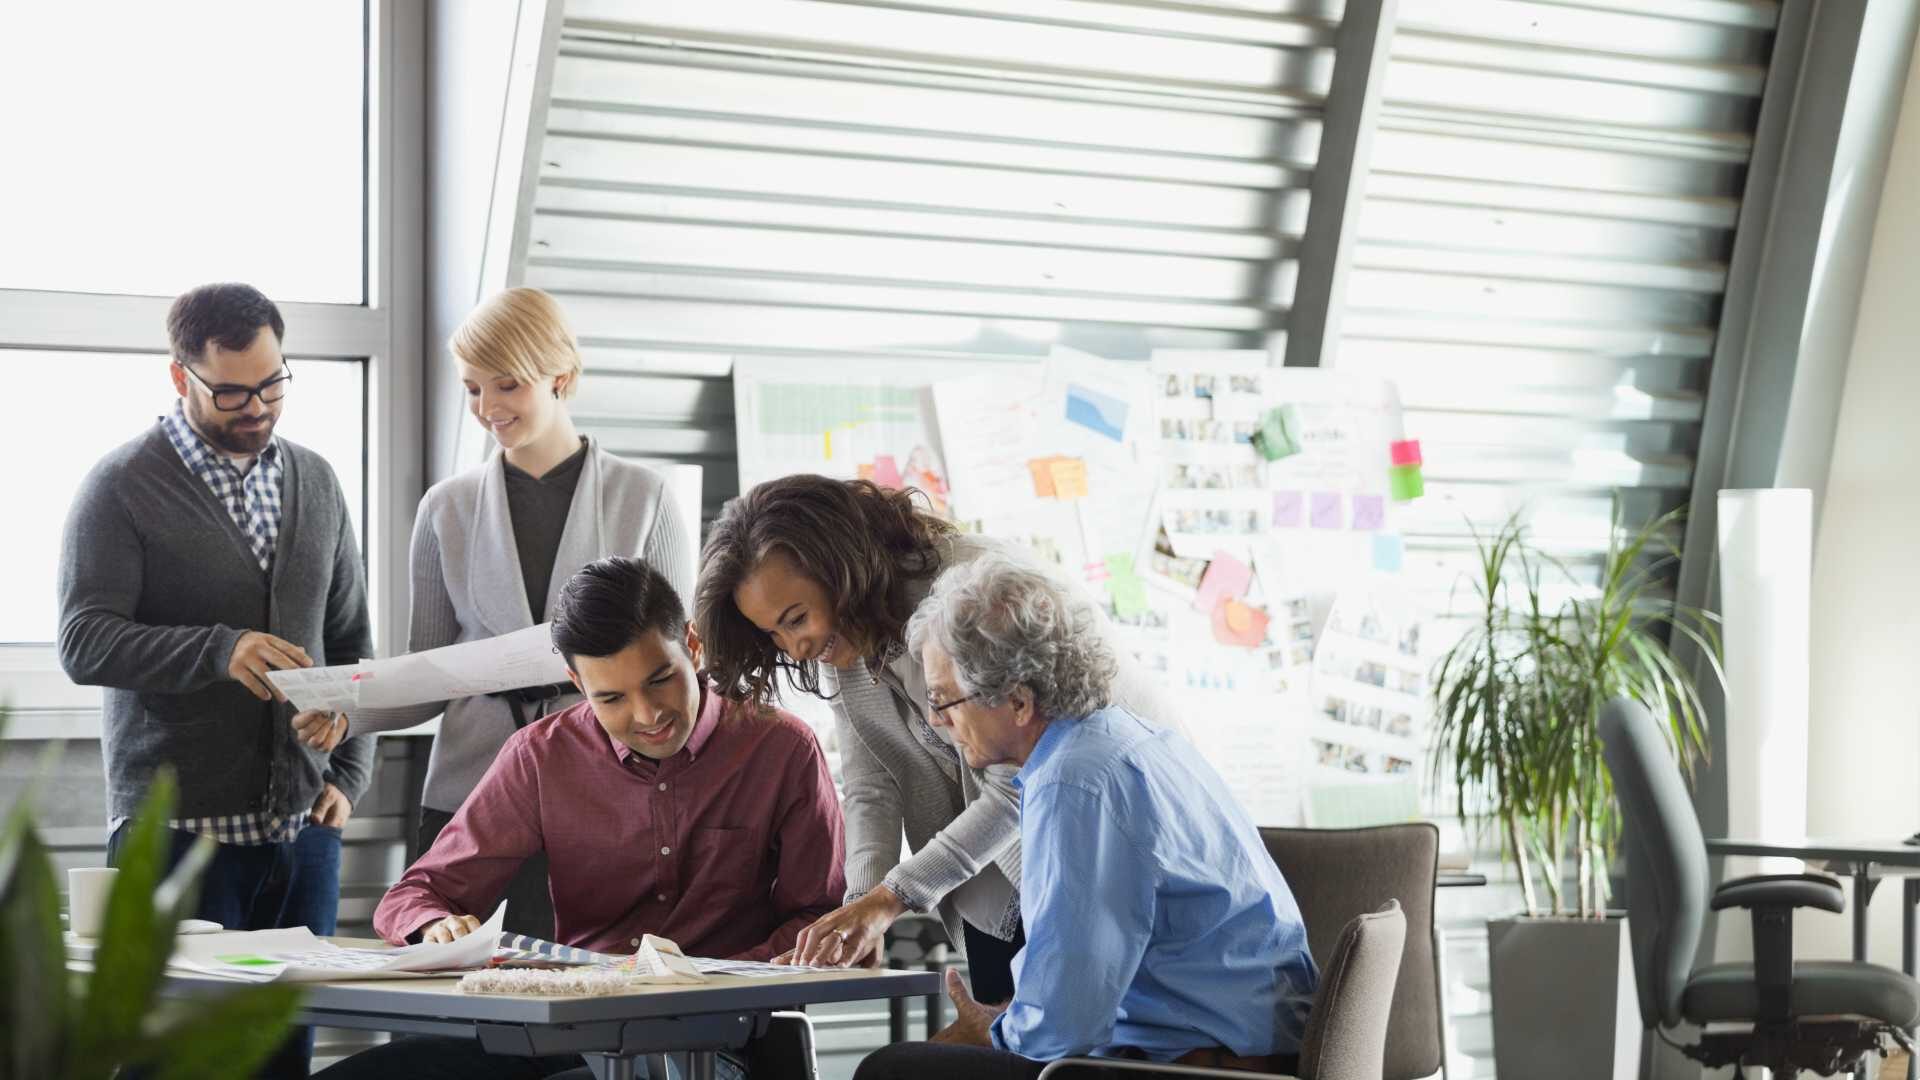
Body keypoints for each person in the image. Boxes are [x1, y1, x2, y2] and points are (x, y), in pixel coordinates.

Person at [315, 556, 845, 1080]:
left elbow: (819, 920)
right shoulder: (541, 756)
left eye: (661, 679)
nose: (648, 715)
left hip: (714, 1044)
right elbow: (411, 898)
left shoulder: (781, 749)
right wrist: (435, 923)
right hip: (567, 1033)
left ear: (693, 645)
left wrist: (707, 979)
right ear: (576, 681)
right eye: (611, 698)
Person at [295, 286, 694, 938]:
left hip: (610, 793)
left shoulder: (643, 496)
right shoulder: (444, 508)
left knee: (595, 999)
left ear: (560, 376)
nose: (487, 408)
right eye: (473, 389)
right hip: (469, 797)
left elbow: (680, 666)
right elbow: (424, 674)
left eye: (506, 386)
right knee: (460, 1000)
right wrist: (346, 709)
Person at [695, 475, 1183, 1003]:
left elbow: (1019, 781)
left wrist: (891, 898)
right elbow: (870, 783)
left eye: (796, 618)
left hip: (1102, 863)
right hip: (1000, 886)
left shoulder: (975, 595)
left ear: (839, 567)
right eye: (774, 634)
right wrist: (859, 907)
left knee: (1063, 1049)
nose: (796, 645)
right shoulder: (845, 635)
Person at [57, 282, 376, 1079]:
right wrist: (218, 649)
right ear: (180, 377)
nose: (258, 405)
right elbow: (82, 640)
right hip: (176, 842)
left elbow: (349, 644)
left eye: (273, 383)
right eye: (231, 390)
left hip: (302, 840)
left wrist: (350, 768)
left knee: (283, 1061)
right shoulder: (121, 485)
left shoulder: (318, 481)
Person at [854, 555, 1318, 1080]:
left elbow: (1065, 1020)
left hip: (1205, 1067)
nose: (939, 722)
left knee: (892, 1070)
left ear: (1018, 700)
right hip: (1241, 1040)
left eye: (945, 701)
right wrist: (1008, 1023)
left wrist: (990, 1031)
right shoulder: (1127, 738)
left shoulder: (1074, 782)